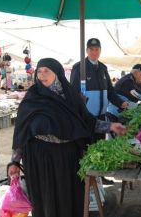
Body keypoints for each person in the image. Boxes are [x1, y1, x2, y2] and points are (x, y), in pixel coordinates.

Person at [8, 58, 126, 217]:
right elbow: (21, 131)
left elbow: (87, 121)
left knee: (68, 197)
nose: (42, 75)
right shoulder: (32, 98)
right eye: (40, 71)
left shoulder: (70, 96)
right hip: (41, 158)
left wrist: (110, 126)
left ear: (57, 74)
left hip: (67, 157)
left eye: (47, 71)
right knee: (46, 198)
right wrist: (15, 161)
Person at [70, 38, 128, 184]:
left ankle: (100, 177)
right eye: (91, 49)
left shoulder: (103, 68)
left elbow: (110, 91)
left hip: (101, 116)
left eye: (97, 49)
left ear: (100, 51)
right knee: (85, 148)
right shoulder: (79, 68)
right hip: (86, 117)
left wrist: (121, 103)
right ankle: (85, 179)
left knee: (99, 146)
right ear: (87, 50)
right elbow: (73, 93)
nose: (94, 52)